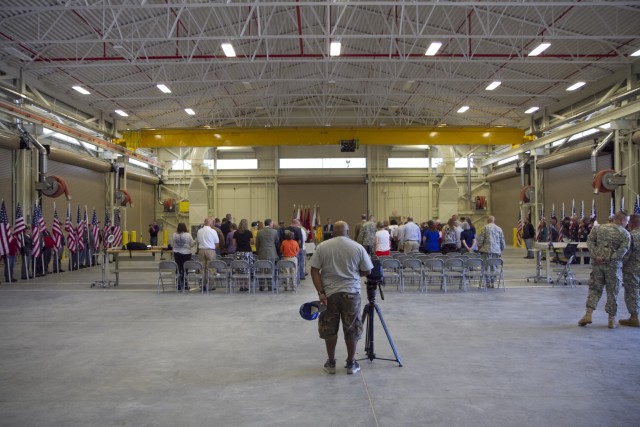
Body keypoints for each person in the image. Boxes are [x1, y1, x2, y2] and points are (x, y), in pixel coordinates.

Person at [309, 221, 373, 375]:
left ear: (332, 232)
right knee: (351, 327)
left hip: (329, 294)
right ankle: (351, 363)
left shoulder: (323, 247)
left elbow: (314, 270)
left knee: (329, 328)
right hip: (351, 293)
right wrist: (357, 274)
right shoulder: (357, 247)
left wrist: (320, 292)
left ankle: (331, 363)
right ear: (348, 231)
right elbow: (368, 270)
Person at [578, 211, 631, 329]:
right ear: (622, 220)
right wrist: (610, 258)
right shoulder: (625, 234)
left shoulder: (598, 228)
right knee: (613, 292)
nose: (627, 224)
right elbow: (623, 250)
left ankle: (588, 315)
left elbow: (590, 242)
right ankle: (611, 320)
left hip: (597, 264)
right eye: (627, 221)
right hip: (613, 266)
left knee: (594, 289)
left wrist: (596, 255)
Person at [619, 214, 640, 327]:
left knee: (633, 292)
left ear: (631, 224)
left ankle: (634, 317)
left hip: (633, 269)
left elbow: (626, 254)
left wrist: (620, 264)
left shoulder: (631, 236)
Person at [476, 216, 506, 288]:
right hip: (496, 251)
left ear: (487, 221)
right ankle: (493, 282)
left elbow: (481, 239)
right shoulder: (499, 229)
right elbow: (502, 240)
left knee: (486, 267)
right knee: (494, 266)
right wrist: (501, 248)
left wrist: (479, 246)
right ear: (494, 221)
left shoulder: (485, 228)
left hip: (486, 251)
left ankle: (487, 282)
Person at [255, 218, 280, 291]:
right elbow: (277, 241)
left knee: (261, 270)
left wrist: (258, 251)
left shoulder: (259, 232)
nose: (273, 224)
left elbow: (257, 244)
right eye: (272, 223)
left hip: (262, 252)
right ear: (270, 224)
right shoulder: (274, 232)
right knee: (271, 270)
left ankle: (261, 286)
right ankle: (270, 286)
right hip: (271, 253)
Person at [171, 222, 195, 290]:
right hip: (186, 253)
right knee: (185, 269)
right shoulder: (188, 235)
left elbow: (171, 244)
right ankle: (185, 284)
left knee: (178, 268)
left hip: (177, 253)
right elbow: (192, 244)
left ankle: (178, 285)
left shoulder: (174, 235)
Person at [233, 219, 254, 291]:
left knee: (240, 270)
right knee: (247, 269)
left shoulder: (236, 233)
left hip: (238, 252)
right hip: (247, 252)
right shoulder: (249, 232)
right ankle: (246, 286)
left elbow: (234, 244)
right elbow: (252, 242)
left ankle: (241, 286)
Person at [196, 218, 219, 284]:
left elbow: (198, 241)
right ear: (211, 223)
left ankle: (202, 284)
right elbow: (217, 243)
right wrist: (214, 249)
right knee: (211, 268)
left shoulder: (199, 231)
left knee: (202, 268)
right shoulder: (213, 231)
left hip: (201, 250)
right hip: (210, 250)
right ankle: (210, 285)